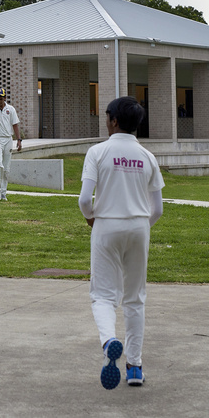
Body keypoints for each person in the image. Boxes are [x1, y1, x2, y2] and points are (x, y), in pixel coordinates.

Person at [79, 96, 164, 390]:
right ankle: (135, 367)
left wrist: (92, 218)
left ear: (114, 121)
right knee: (135, 297)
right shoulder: (147, 156)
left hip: (106, 225)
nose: (105, 121)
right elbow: (158, 209)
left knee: (103, 295)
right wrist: (141, 226)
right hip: (139, 226)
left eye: (106, 117)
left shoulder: (98, 152)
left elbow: (83, 199)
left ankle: (109, 342)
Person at [0, 88, 21, 201]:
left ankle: (3, 192)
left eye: (1, 98)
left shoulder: (10, 109)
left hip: (8, 139)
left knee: (6, 168)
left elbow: (15, 125)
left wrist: (19, 140)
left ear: (5, 98)